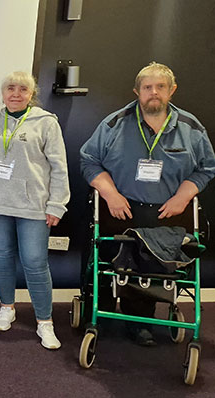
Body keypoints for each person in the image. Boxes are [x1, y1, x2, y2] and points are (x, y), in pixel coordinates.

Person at [80, 62, 215, 346]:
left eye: (160, 87)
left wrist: (183, 197)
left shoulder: (191, 128)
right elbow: (89, 161)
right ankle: (99, 317)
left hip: (168, 214)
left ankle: (139, 323)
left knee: (150, 268)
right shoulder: (114, 123)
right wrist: (110, 194)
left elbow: (205, 168)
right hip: (120, 209)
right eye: (147, 87)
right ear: (137, 91)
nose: (154, 93)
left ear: (172, 90)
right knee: (109, 260)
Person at [0, 71, 69, 350]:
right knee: (2, 257)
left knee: (34, 262)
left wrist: (57, 204)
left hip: (34, 206)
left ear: (32, 95)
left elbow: (59, 166)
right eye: (10, 88)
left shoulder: (46, 123)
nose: (15, 94)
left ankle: (45, 321)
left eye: (22, 89)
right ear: (2, 93)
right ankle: (7, 307)